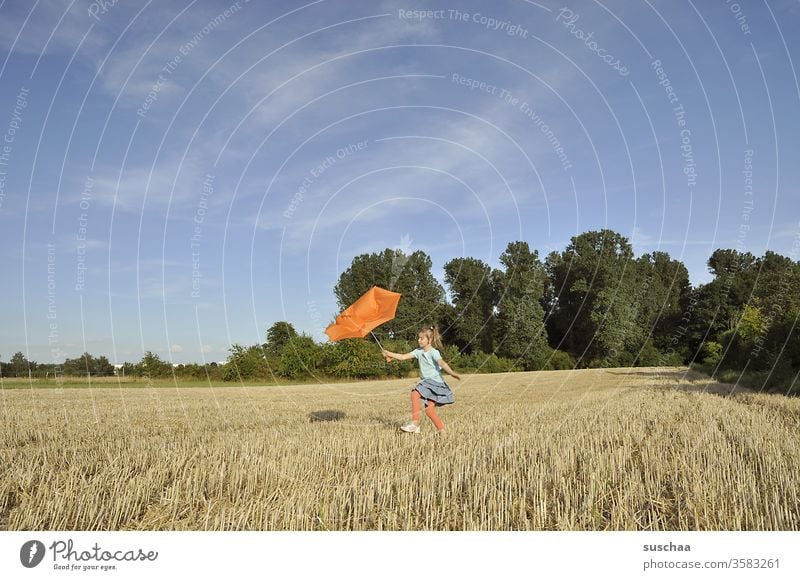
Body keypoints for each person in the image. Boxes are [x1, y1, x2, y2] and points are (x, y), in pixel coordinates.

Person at [382, 325, 461, 435]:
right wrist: (388, 353)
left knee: (416, 395)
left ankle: (415, 424)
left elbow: (441, 363)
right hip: (427, 382)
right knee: (429, 410)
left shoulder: (434, 352)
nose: (419, 340)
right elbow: (402, 357)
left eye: (421, 338)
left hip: (435, 382)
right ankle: (443, 433)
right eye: (418, 338)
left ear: (430, 340)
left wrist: (451, 372)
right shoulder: (418, 352)